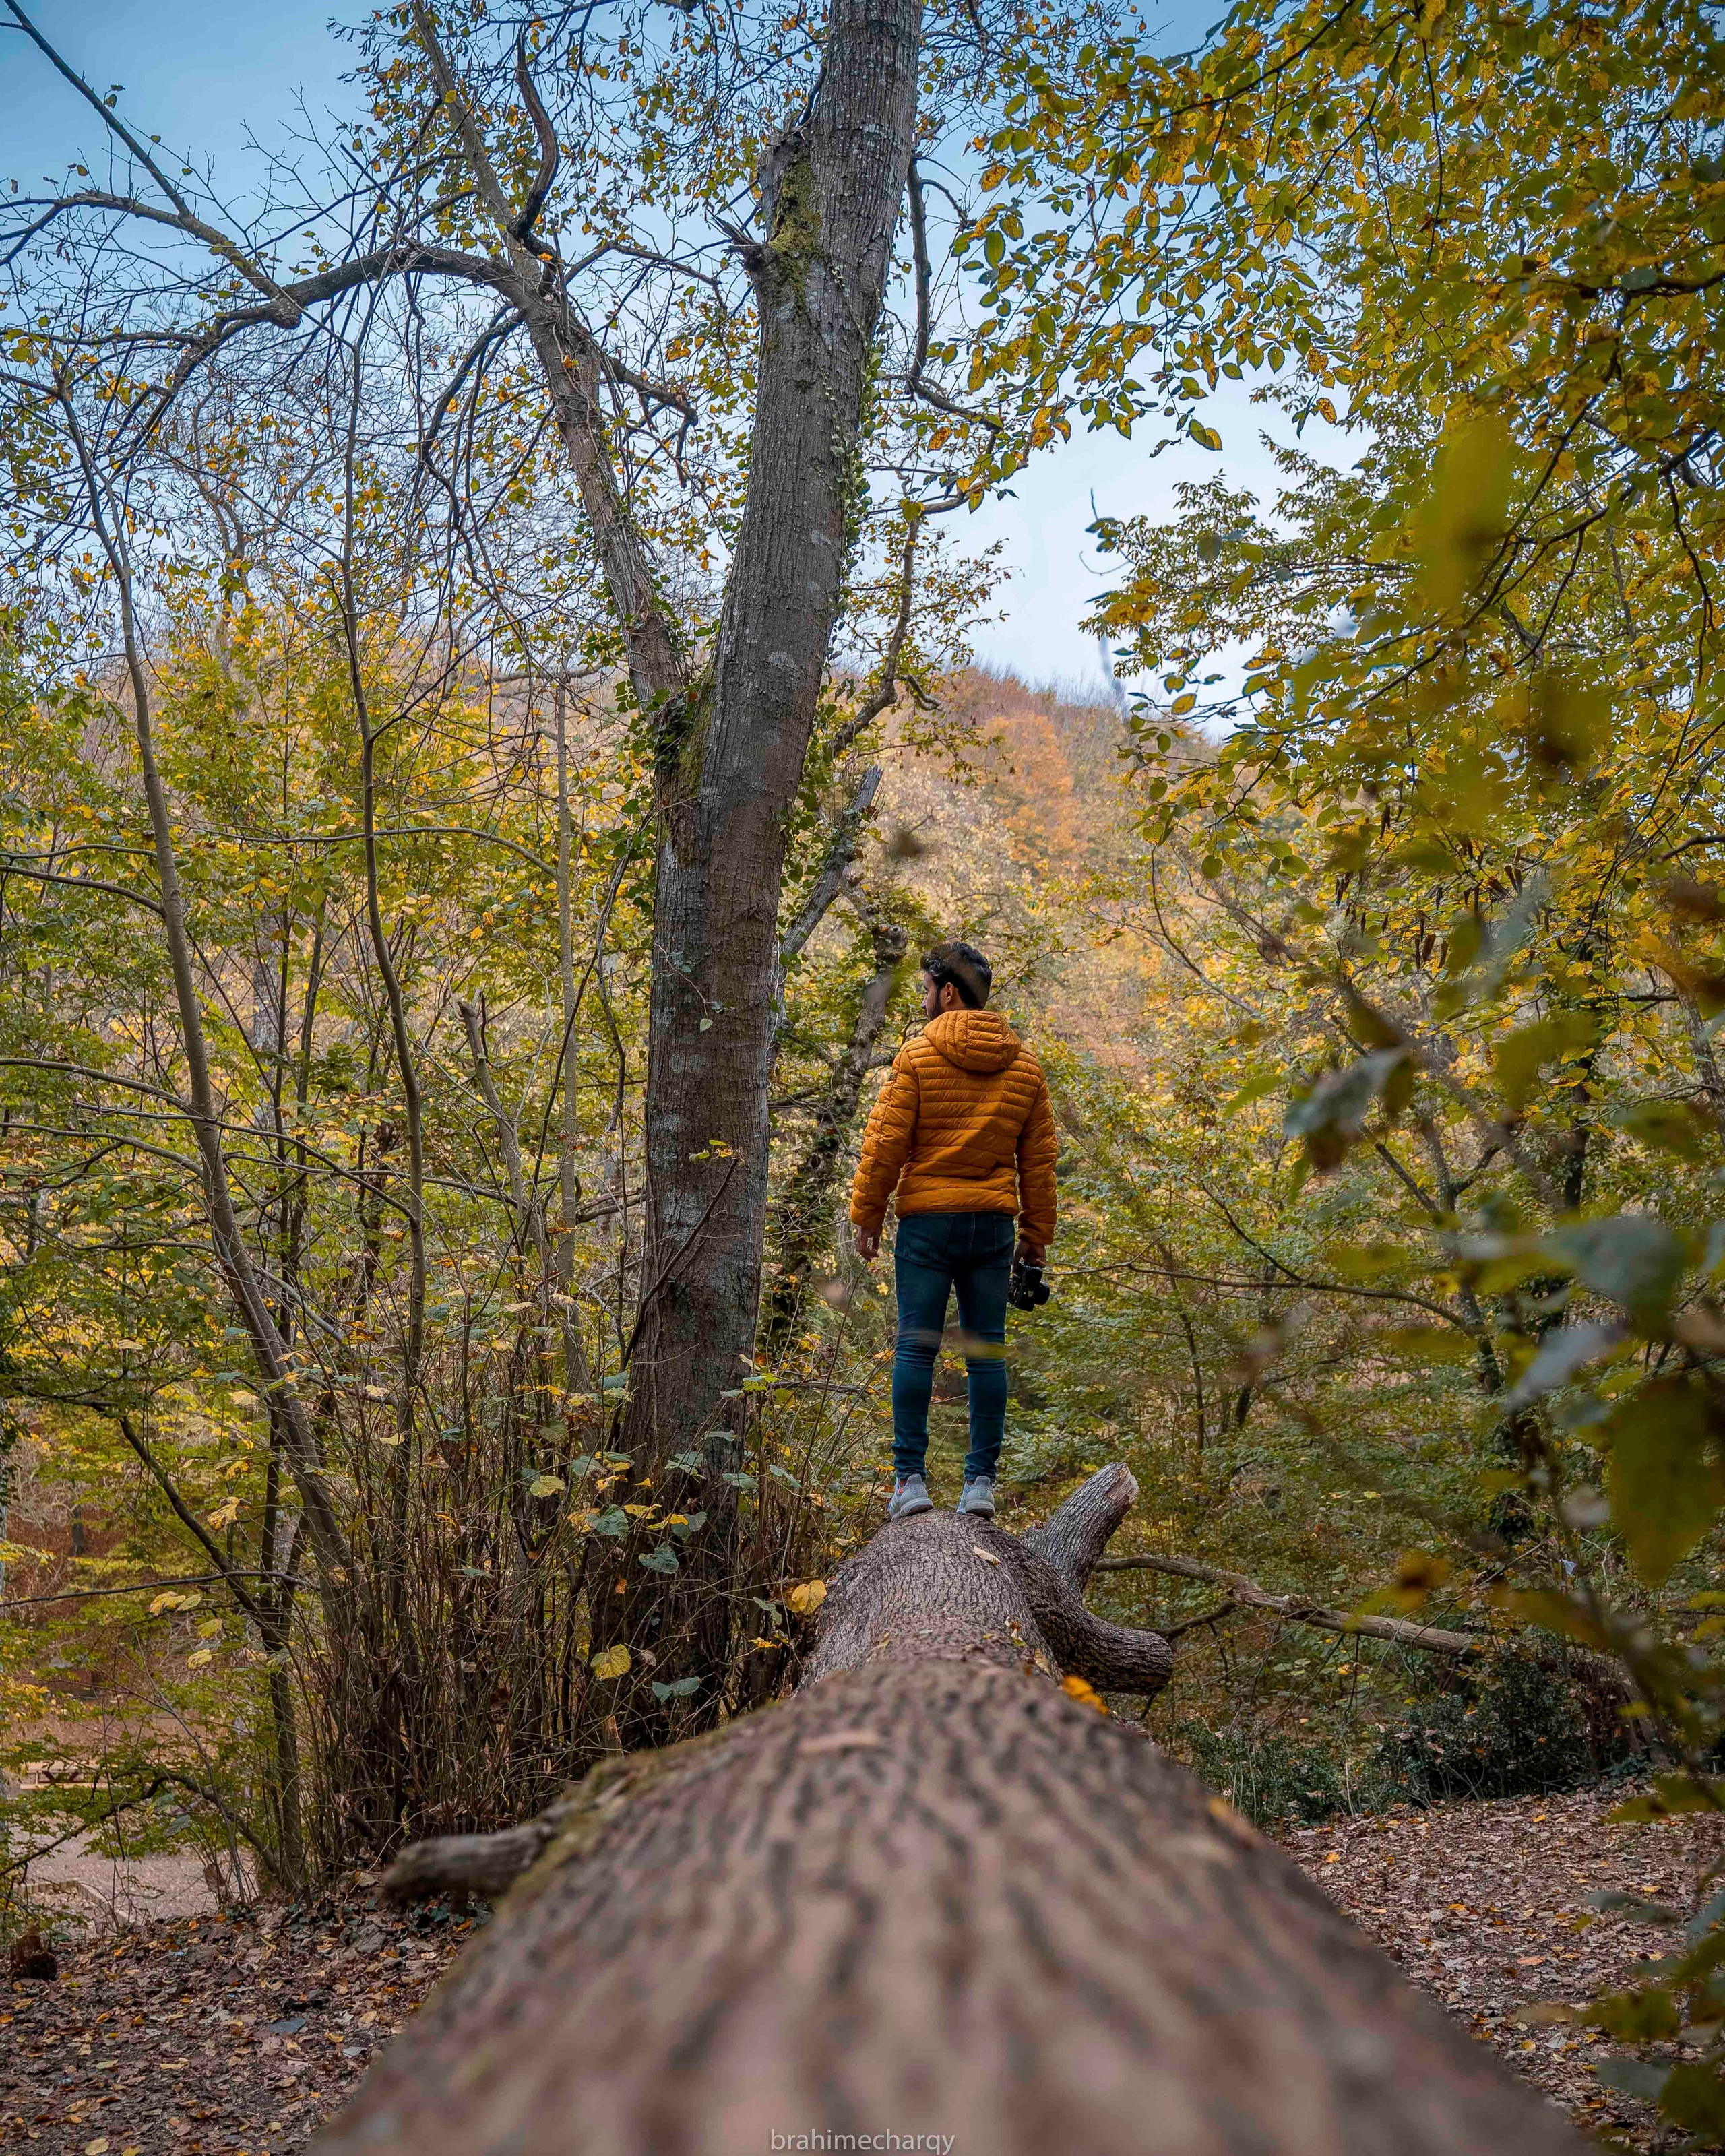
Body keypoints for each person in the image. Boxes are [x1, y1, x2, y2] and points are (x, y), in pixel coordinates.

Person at [849, 939, 1057, 1522]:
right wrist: (1035, 1237)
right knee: (986, 1353)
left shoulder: (916, 1058)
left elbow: (886, 1144)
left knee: (916, 1347)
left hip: (928, 1225)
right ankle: (980, 1486)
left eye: (925, 989)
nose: (922, 1001)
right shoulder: (1027, 1069)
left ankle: (910, 1484)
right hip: (991, 1226)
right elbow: (1038, 1164)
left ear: (947, 991)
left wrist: (867, 1214)